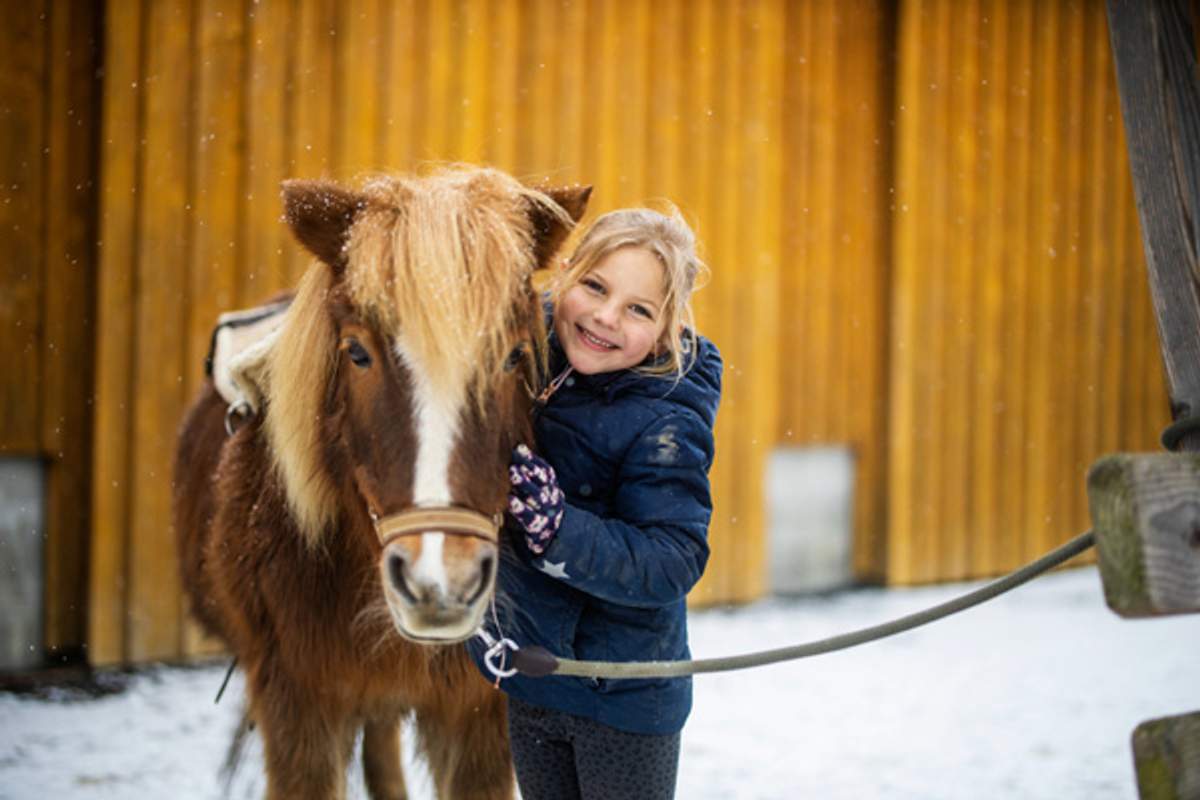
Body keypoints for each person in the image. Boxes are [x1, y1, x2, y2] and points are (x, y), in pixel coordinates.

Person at [472, 206, 723, 800]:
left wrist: (559, 531)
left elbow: (673, 558)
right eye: (595, 286)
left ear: (665, 331)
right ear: (564, 277)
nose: (607, 317)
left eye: (638, 309)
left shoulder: (666, 419)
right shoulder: (527, 360)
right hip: (535, 678)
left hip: (624, 699)